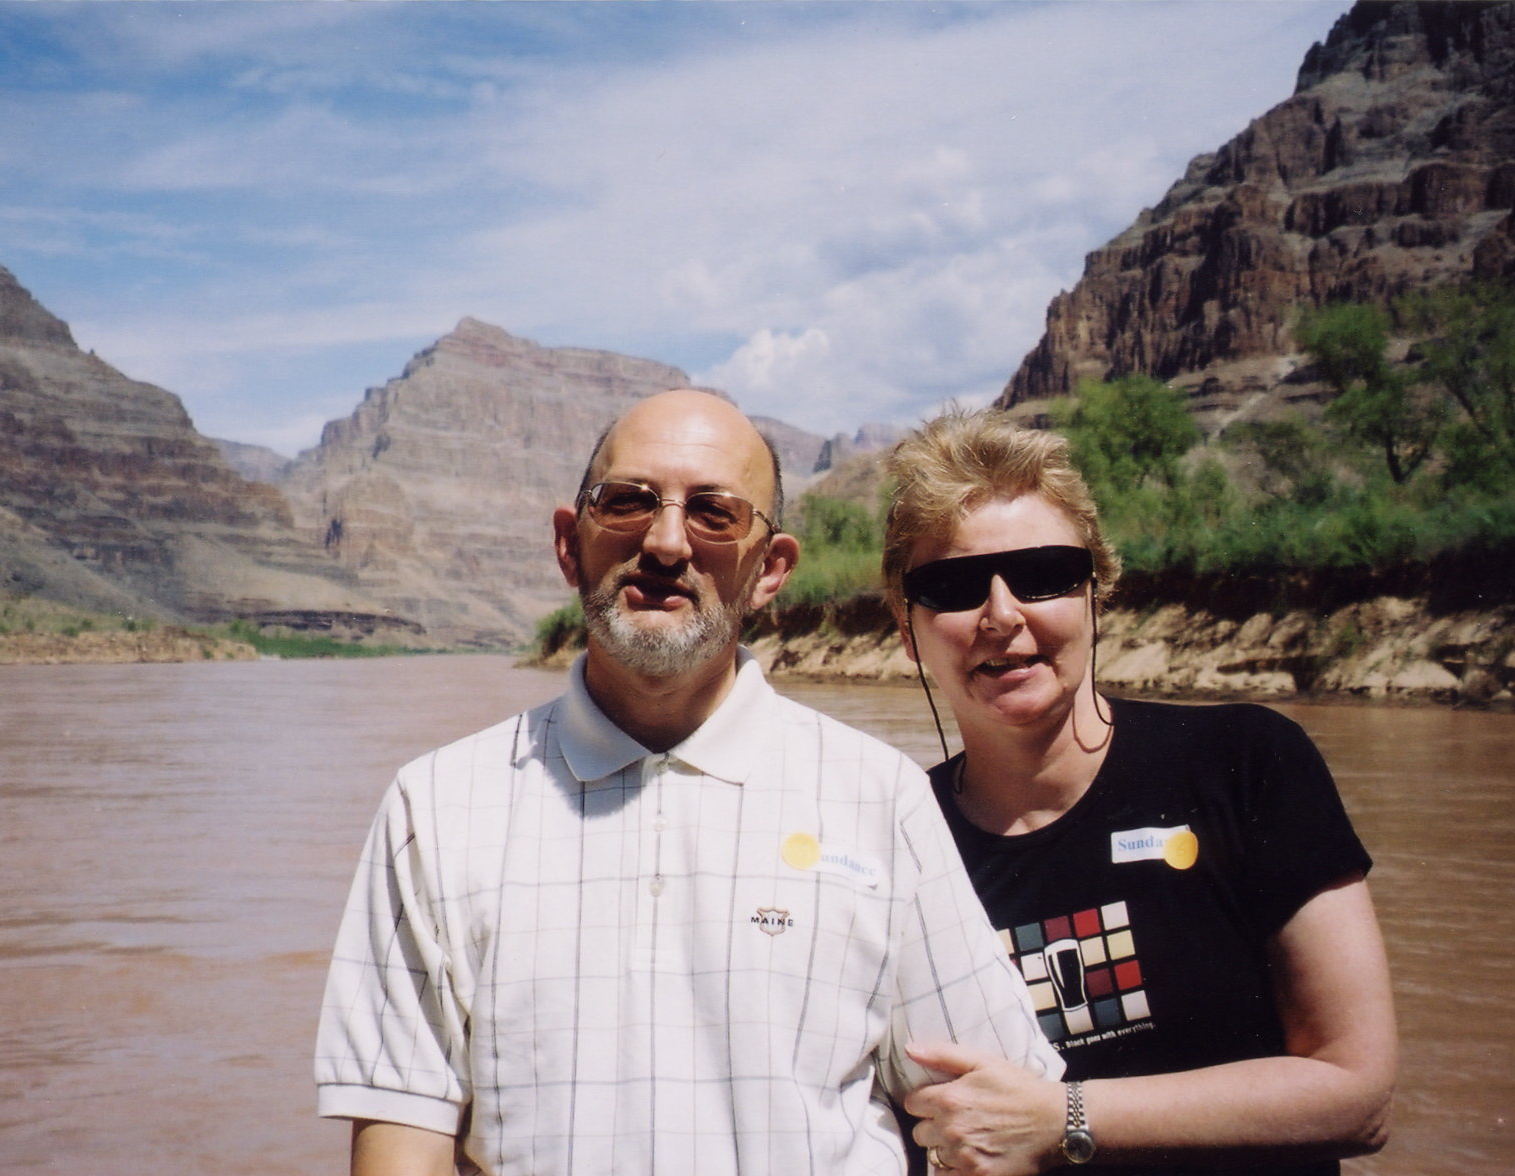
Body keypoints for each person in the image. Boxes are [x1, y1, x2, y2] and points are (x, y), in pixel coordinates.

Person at [314, 389, 1061, 1176]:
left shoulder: (879, 799)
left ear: (770, 570)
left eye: (715, 514)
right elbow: (402, 1147)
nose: (667, 543)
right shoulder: (434, 810)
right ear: (571, 544)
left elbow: (995, 1124)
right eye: (629, 503)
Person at [879, 407, 1397, 1175]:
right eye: (952, 586)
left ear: (1097, 590)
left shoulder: (1245, 763)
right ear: (906, 628)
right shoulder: (893, 845)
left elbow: (1358, 1091)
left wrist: (1065, 1118)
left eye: (1044, 574)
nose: (1002, 614)